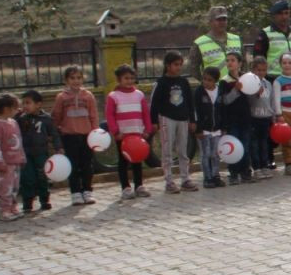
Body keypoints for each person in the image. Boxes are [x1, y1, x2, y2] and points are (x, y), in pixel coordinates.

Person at [150, 50, 198, 192]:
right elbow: (154, 104)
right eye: (176, 64)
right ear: (168, 65)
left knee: (183, 151)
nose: (178, 67)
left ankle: (185, 178)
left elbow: (190, 102)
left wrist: (192, 120)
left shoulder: (184, 82)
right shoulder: (161, 83)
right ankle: (169, 180)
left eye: (180, 64)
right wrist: (154, 121)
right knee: (167, 151)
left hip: (183, 119)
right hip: (167, 118)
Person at [51, 65, 99, 205]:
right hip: (69, 136)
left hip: (86, 136)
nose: (76, 81)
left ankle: (87, 191)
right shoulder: (62, 97)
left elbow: (93, 116)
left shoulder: (88, 96)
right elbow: (57, 116)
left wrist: (95, 133)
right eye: (72, 78)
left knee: (87, 165)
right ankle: (75, 193)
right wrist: (58, 131)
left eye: (78, 78)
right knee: (72, 165)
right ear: (66, 80)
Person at [105, 64, 154, 199]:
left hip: (137, 134)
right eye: (126, 78)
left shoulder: (139, 95)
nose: (129, 81)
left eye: (132, 78)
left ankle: (139, 185)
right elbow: (109, 115)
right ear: (119, 79)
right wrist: (115, 132)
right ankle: (125, 188)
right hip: (122, 136)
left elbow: (145, 113)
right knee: (123, 161)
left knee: (137, 160)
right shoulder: (113, 96)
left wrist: (147, 129)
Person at [16, 89, 62, 212]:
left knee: (42, 176)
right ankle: (27, 202)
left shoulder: (46, 119)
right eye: (23, 103)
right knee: (27, 178)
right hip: (26, 153)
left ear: (38, 104)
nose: (25, 106)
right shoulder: (21, 119)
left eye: (28, 103)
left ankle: (44, 199)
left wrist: (58, 148)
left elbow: (54, 134)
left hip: (41, 152)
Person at [220, 52, 255, 184]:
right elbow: (225, 101)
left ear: (240, 63)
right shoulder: (225, 81)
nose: (230, 63)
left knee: (245, 146)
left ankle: (246, 172)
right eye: (227, 60)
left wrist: (257, 93)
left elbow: (250, 98)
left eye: (233, 60)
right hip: (232, 120)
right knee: (233, 146)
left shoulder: (247, 78)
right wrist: (235, 90)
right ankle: (233, 173)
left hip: (245, 118)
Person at [0, 95, 25, 222]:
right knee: (6, 187)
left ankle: (13, 207)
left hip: (16, 161)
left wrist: (22, 156)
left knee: (15, 187)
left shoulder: (13, 122)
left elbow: (19, 140)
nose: (18, 110)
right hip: (5, 163)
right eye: (15, 108)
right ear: (6, 109)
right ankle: (4, 210)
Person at [188, 5, 243, 81]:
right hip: (213, 89)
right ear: (210, 21)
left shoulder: (236, 39)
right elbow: (193, 69)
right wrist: (206, 84)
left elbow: (244, 64)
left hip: (236, 87)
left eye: (224, 19)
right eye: (218, 20)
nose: (222, 22)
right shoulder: (199, 43)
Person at [194, 66, 226, 187]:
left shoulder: (219, 91)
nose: (206, 82)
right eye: (204, 79)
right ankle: (207, 178)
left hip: (217, 129)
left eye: (209, 80)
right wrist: (198, 129)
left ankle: (215, 175)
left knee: (216, 154)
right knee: (205, 154)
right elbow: (196, 111)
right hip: (204, 129)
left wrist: (223, 127)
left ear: (215, 81)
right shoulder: (199, 92)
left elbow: (222, 110)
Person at [246, 56, 275, 179]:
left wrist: (273, 116)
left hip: (266, 118)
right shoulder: (249, 84)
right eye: (259, 70)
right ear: (253, 70)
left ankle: (265, 166)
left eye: (264, 70)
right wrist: (255, 94)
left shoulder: (268, 83)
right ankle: (256, 168)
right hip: (254, 118)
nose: (261, 73)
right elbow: (248, 101)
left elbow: (271, 100)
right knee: (254, 144)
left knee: (264, 143)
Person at [252, 0, 291, 68]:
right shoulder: (265, 33)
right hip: (272, 77)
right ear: (274, 16)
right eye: (280, 14)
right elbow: (258, 58)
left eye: (286, 13)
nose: (284, 17)